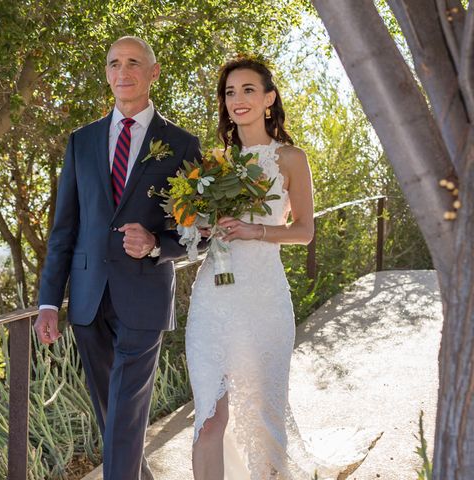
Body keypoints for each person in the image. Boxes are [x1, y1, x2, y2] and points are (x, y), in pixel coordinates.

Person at [186, 55, 373, 479]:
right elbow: (197, 228)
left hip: (262, 299)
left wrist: (258, 233)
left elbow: (305, 230)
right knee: (209, 419)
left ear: (269, 99)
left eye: (248, 90)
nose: (238, 99)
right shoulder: (215, 164)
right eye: (230, 92)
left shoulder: (290, 158)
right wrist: (197, 222)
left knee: (264, 415)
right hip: (212, 298)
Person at [34, 36, 201, 480]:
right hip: (88, 299)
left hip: (144, 293)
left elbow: (201, 231)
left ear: (153, 72)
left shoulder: (182, 145)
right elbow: (64, 228)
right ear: (106, 73)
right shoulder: (81, 141)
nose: (122, 72)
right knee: (113, 416)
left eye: (133, 63)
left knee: (125, 409)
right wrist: (49, 301)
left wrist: (156, 244)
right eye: (114, 64)